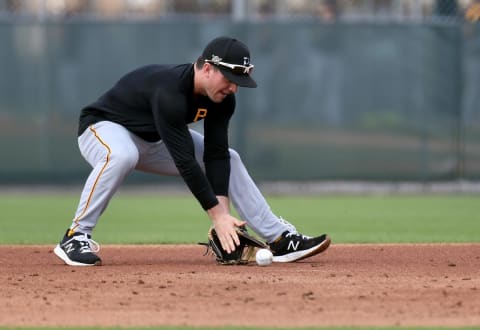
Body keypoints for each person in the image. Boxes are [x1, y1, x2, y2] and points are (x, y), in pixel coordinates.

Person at [53, 36, 331, 266]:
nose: (234, 87)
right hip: (103, 128)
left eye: (239, 81)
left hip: (153, 140)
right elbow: (185, 161)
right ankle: (75, 235)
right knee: (123, 155)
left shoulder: (223, 99)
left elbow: (216, 155)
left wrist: (225, 224)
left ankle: (280, 239)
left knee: (230, 158)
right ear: (207, 68)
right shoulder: (170, 91)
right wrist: (217, 217)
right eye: (230, 77)